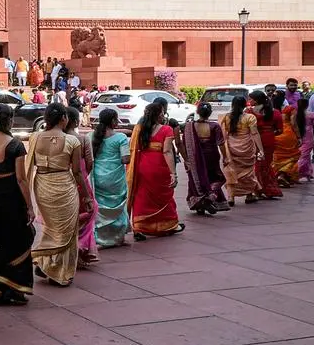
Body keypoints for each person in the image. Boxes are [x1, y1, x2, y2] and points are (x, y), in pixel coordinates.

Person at [28, 103, 91, 286]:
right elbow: (78, 172)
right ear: (64, 118)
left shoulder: (35, 137)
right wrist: (86, 196)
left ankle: (46, 263)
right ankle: (57, 270)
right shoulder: (73, 141)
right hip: (64, 185)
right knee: (66, 231)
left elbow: (29, 165)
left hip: (42, 185)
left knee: (50, 227)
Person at [0, 104, 36, 305]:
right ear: (10, 119)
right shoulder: (15, 145)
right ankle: (14, 288)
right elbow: (21, 179)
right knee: (19, 240)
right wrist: (30, 206)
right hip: (11, 197)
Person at [128, 100, 184, 239]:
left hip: (142, 165)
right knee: (164, 196)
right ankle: (168, 224)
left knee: (141, 196)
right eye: (162, 113)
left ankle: (139, 227)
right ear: (158, 115)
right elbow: (167, 152)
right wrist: (173, 173)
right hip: (159, 166)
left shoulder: (139, 129)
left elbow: (134, 148)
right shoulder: (166, 129)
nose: (164, 115)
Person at [90, 108, 131, 248]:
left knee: (100, 208)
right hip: (115, 179)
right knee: (118, 207)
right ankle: (117, 237)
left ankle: (100, 239)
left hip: (97, 177)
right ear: (113, 120)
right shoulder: (120, 138)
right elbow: (126, 159)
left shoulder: (91, 136)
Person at [66, 106, 98, 266]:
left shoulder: (59, 138)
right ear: (75, 121)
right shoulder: (82, 139)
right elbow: (90, 162)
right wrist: (85, 175)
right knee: (88, 212)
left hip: (64, 180)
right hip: (81, 179)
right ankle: (80, 248)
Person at [183, 103, 229, 215]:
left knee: (196, 178)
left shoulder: (190, 126)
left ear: (197, 112)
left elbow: (184, 143)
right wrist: (225, 157)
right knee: (214, 177)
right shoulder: (214, 126)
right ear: (210, 113)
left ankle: (199, 204)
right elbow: (221, 143)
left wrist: (186, 158)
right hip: (211, 156)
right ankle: (209, 197)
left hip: (195, 157)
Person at [219, 96, 264, 206]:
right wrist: (261, 150)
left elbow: (223, 135)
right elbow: (254, 133)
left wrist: (224, 151)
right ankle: (249, 195)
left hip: (231, 147)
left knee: (231, 171)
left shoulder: (225, 117)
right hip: (247, 148)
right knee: (248, 173)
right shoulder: (250, 117)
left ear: (232, 105)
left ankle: (231, 197)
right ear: (245, 105)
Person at [248, 91, 284, 199]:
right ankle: (268, 189)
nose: (249, 101)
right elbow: (280, 130)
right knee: (266, 165)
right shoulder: (275, 112)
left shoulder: (250, 112)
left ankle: (258, 189)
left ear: (256, 100)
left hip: (254, 140)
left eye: (251, 99)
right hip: (269, 139)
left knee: (257, 165)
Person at [271, 91, 301, 188]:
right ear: (284, 98)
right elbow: (294, 124)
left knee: (277, 157)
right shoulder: (290, 109)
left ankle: (279, 176)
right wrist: (299, 136)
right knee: (293, 156)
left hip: (275, 134)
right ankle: (283, 174)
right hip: (288, 135)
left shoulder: (270, 110)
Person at [294, 97, 314, 183]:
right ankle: (294, 173)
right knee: (304, 156)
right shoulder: (312, 115)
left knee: (306, 156)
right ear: (307, 105)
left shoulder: (294, 115)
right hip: (308, 138)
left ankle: (307, 173)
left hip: (297, 137)